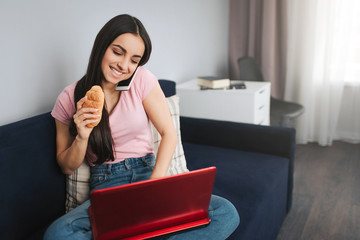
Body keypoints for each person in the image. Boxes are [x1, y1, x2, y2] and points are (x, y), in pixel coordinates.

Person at [44, 14, 239, 240]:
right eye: (118, 52)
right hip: (107, 186)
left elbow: (168, 134)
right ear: (101, 46)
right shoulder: (69, 97)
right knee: (57, 234)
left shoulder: (142, 80)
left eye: (134, 60)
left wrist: (155, 185)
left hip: (149, 174)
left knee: (225, 212)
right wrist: (82, 136)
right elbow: (67, 167)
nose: (124, 65)